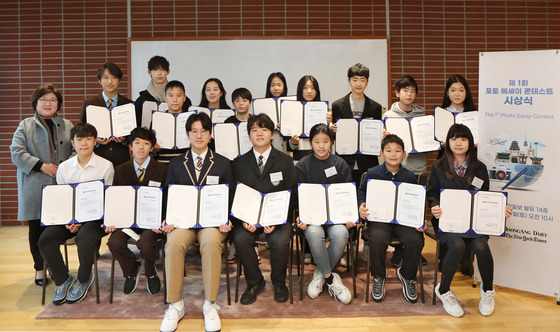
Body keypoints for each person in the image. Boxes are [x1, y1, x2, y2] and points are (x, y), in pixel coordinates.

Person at [427, 124, 512, 318]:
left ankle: (488, 291)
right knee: (456, 245)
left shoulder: (479, 167)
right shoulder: (438, 166)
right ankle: (444, 290)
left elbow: (484, 196)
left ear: (470, 143)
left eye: (463, 139)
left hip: (474, 221)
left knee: (481, 245)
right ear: (447, 142)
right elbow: (432, 193)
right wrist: (434, 206)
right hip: (448, 220)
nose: (458, 143)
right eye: (454, 139)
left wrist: (500, 209)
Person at [159, 112, 232, 332]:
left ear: (210, 134)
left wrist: (226, 219)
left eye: (203, 131)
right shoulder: (176, 163)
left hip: (212, 224)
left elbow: (230, 196)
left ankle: (210, 304)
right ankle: (175, 304)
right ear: (188, 134)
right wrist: (167, 219)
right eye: (194, 131)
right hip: (184, 223)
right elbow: (167, 195)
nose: (199, 135)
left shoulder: (223, 163)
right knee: (173, 242)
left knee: (210, 242)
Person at [38, 123, 114, 305]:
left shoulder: (105, 166)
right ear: (73, 142)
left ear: (95, 142)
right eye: (80, 140)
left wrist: (82, 221)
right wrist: (68, 220)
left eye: (88, 139)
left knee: (85, 238)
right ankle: (63, 280)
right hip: (68, 219)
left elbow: (107, 199)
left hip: (96, 219)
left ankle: (83, 279)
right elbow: (62, 198)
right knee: (45, 239)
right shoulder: (64, 168)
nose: (84, 143)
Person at [10, 84, 74, 286]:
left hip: (60, 187)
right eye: (43, 99)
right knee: (36, 229)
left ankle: (56, 268)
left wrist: (63, 168)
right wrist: (42, 166)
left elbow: (76, 151)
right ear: (36, 103)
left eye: (53, 100)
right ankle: (39, 268)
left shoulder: (67, 125)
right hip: (35, 185)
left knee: (55, 228)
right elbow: (16, 152)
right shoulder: (25, 125)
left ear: (59, 104)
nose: (48, 103)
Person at [231, 113, 298, 305]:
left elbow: (292, 194)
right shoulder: (239, 163)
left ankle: (279, 282)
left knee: (281, 240)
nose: (259, 133)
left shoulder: (285, 161)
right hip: (248, 219)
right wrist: (243, 219)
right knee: (240, 238)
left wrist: (276, 219)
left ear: (272, 134)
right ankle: (254, 282)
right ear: (249, 135)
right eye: (254, 130)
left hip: (276, 219)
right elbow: (235, 195)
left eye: (264, 129)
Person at [357, 134, 424, 303]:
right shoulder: (372, 173)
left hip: (402, 221)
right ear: (381, 153)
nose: (393, 154)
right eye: (388, 150)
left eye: (397, 151)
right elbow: (361, 193)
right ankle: (379, 275)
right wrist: (361, 206)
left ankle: (407, 276)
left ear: (404, 154)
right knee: (377, 238)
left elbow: (416, 201)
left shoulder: (409, 176)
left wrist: (418, 221)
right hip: (380, 219)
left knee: (416, 239)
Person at [295, 123, 354, 304]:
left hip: (335, 217)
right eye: (317, 141)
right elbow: (297, 196)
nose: (321, 146)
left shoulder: (340, 164)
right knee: (314, 233)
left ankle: (320, 272)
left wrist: (350, 215)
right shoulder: (303, 165)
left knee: (341, 233)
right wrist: (299, 215)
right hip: (312, 217)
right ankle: (330, 278)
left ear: (331, 143)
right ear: (311, 143)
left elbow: (347, 193)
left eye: (325, 141)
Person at [104, 127, 168, 295]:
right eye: (137, 143)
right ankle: (131, 270)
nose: (141, 147)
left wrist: (162, 220)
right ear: (130, 146)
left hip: (152, 222)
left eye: (146, 143)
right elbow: (114, 198)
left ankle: (151, 273)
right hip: (127, 220)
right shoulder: (120, 169)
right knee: (114, 243)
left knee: (146, 244)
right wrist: (111, 220)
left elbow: (167, 199)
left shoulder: (162, 169)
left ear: (152, 147)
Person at [383, 75, 427, 267]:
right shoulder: (388, 116)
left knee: (414, 210)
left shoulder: (423, 115)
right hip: (395, 169)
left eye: (412, 91)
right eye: (405, 90)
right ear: (397, 93)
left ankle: (415, 250)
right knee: (396, 208)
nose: (409, 94)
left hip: (417, 167)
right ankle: (399, 249)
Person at [438, 74, 477, 276]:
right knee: (448, 206)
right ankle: (446, 255)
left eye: (461, 89)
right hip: (446, 164)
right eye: (453, 90)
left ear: (466, 92)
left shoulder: (475, 114)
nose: (457, 93)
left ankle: (466, 257)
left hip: (469, 164)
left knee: (468, 207)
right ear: (447, 92)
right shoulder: (440, 115)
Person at [332, 63, 383, 185]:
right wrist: (333, 130)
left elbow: (375, 137)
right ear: (348, 81)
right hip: (345, 162)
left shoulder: (376, 107)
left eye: (362, 80)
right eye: (355, 80)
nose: (358, 84)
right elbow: (334, 138)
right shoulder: (337, 106)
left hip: (368, 163)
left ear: (367, 82)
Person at [80, 62, 133, 167]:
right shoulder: (90, 104)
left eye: (114, 77)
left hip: (121, 159)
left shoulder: (128, 104)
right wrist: (96, 140)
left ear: (119, 80)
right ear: (99, 80)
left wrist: (124, 140)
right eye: (106, 77)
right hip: (97, 157)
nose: (110, 81)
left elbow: (134, 133)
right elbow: (83, 131)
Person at [134, 55, 192, 127]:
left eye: (163, 69)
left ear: (168, 71)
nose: (159, 73)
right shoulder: (141, 101)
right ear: (149, 72)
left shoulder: (184, 101)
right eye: (155, 70)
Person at [287, 75, 324, 161]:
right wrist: (293, 143)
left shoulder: (324, 111)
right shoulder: (292, 111)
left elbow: (329, 140)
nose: (309, 91)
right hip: (299, 158)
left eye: (313, 88)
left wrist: (329, 124)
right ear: (300, 90)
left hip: (319, 157)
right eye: (305, 88)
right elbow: (287, 145)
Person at [155, 80, 192, 164]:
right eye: (170, 96)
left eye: (179, 95)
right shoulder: (158, 119)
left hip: (185, 165)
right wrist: (154, 148)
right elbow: (151, 148)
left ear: (184, 98)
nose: (175, 99)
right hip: (163, 164)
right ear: (165, 98)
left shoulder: (191, 119)